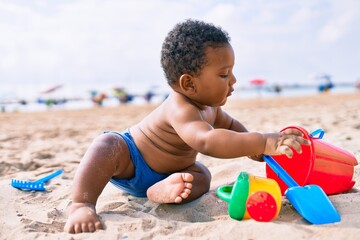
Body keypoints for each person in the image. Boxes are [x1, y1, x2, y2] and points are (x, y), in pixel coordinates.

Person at [64, 19, 310, 234]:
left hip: (172, 173)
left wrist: (255, 149)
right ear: (189, 84)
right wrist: (264, 141)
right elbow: (206, 141)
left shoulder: (211, 108)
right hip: (132, 161)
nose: (233, 81)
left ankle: (159, 192)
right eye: (224, 75)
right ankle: (81, 204)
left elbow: (233, 128)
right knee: (107, 144)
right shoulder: (180, 107)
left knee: (202, 176)